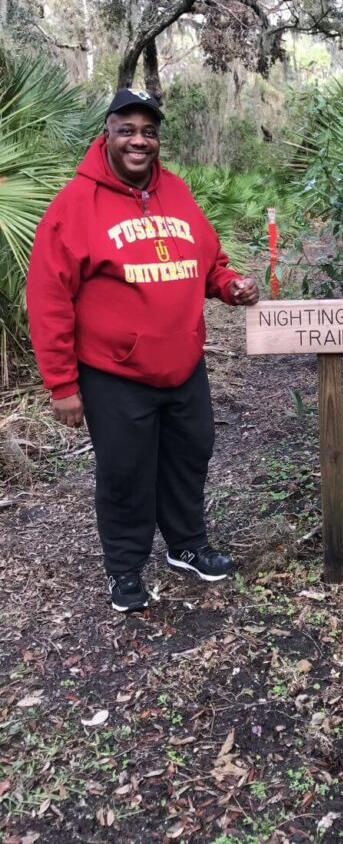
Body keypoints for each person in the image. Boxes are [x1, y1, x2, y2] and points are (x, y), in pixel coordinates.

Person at [26, 88, 259, 613]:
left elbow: (209, 260)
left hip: (183, 365)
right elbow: (48, 298)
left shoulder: (176, 191)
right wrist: (62, 385)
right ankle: (126, 569)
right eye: (127, 130)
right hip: (114, 373)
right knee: (125, 471)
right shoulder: (75, 204)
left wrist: (231, 285)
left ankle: (187, 545)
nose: (139, 140)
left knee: (189, 455)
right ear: (106, 134)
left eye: (148, 132)